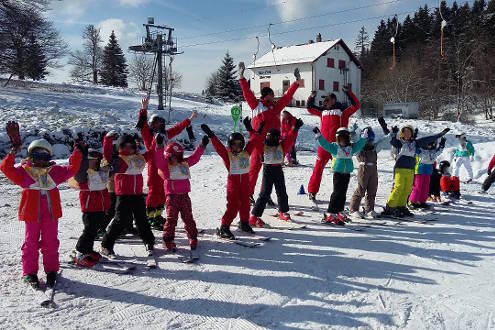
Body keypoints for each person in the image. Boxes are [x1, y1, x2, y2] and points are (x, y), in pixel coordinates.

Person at [1, 121, 82, 288]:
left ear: (49, 157)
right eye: (36, 157)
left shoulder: (56, 172)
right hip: (32, 214)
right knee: (31, 242)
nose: (40, 161)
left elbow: (73, 168)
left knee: (50, 242)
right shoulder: (25, 173)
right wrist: (14, 149)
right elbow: (5, 168)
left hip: (51, 215)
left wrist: (77, 152)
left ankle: (51, 270)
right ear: (31, 157)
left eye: (44, 157)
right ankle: (30, 272)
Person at [238, 62, 302, 203]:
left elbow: (286, 97)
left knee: (270, 171)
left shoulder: (276, 106)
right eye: (272, 94)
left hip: (273, 144)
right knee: (254, 169)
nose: (275, 97)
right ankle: (248, 194)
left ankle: (265, 195)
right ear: (267, 95)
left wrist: (296, 83)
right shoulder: (256, 105)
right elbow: (247, 93)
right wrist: (242, 76)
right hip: (258, 142)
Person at [136, 96, 197, 230]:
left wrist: (189, 120)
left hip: (165, 165)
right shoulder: (148, 135)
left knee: (164, 192)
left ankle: (157, 215)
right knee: (154, 191)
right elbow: (143, 126)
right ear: (152, 125)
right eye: (156, 123)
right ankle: (149, 217)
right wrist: (144, 109)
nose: (159, 126)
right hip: (153, 166)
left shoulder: (166, 134)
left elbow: (178, 128)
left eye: (161, 123)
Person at [200, 118, 264, 239]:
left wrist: (259, 131)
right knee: (233, 206)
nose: (237, 147)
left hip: (245, 184)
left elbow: (253, 142)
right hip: (233, 185)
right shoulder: (227, 155)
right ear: (230, 145)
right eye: (234, 144)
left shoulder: (246, 153)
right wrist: (211, 135)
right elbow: (219, 148)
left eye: (239, 144)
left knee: (245, 204)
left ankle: (244, 223)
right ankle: (224, 227)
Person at [378, 117, 449, 217]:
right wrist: (384, 126)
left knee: (407, 189)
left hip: (410, 169)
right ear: (402, 133)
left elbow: (428, 139)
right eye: (405, 132)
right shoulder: (399, 143)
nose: (407, 134)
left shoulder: (415, 143)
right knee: (398, 187)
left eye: (409, 132)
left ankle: (401, 206)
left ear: (411, 134)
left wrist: (440, 135)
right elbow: (389, 138)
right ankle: (390, 207)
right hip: (400, 168)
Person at [100, 132, 155, 258]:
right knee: (119, 221)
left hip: (137, 195)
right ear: (120, 147)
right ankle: (106, 246)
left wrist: (156, 143)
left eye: (131, 146)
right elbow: (107, 157)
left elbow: (151, 153)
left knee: (142, 220)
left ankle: (149, 242)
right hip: (123, 195)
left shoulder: (139, 159)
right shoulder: (119, 161)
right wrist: (108, 140)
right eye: (125, 146)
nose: (129, 149)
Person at [306, 86, 360, 202]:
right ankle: (312, 192)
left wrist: (349, 92)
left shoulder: (343, 112)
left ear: (334, 100)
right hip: (324, 146)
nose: (325, 102)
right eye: (324, 100)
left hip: (338, 147)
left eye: (327, 100)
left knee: (340, 172)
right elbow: (309, 108)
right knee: (317, 169)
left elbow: (356, 105)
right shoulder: (322, 112)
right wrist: (311, 97)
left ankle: (339, 194)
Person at [154, 137, 208, 252]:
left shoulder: (184, 164)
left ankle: (192, 236)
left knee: (188, 218)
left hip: (184, 196)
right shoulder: (165, 167)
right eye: (174, 157)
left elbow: (194, 158)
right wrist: (159, 147)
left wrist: (202, 146)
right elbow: (158, 160)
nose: (176, 159)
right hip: (172, 197)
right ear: (168, 156)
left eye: (178, 156)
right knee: (171, 219)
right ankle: (168, 240)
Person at [249, 119, 304, 227]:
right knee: (264, 194)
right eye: (270, 137)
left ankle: (283, 212)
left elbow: (290, 137)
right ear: (267, 137)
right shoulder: (263, 146)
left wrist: (295, 128)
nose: (272, 139)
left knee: (282, 192)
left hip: (278, 170)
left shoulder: (281, 146)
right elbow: (255, 139)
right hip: (268, 170)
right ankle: (254, 217)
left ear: (278, 138)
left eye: (275, 137)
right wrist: (253, 129)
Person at [314, 126, 367, 225]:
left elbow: (359, 145)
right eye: (341, 140)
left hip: (346, 173)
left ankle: (339, 211)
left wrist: (363, 138)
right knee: (336, 193)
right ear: (338, 139)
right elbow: (325, 145)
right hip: (338, 173)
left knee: (342, 193)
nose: (343, 142)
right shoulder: (335, 147)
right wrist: (319, 136)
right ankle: (331, 212)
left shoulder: (350, 148)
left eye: (345, 140)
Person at [70, 147, 111, 267]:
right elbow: (77, 169)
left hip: (101, 208)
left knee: (94, 231)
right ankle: (81, 253)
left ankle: (88, 250)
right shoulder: (83, 175)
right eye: (90, 160)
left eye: (95, 160)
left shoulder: (100, 173)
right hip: (90, 209)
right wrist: (79, 154)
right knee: (89, 231)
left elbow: (108, 161)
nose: (93, 162)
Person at [348, 127, 390, 219]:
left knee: (372, 190)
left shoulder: (374, 148)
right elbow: (355, 143)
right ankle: (353, 209)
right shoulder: (359, 148)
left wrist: (391, 134)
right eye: (367, 140)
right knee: (361, 189)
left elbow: (383, 141)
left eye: (371, 140)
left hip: (373, 170)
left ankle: (369, 210)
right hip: (363, 169)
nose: (369, 142)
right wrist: (353, 134)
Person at [408, 137, 446, 209]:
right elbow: (414, 148)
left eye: (433, 144)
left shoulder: (433, 152)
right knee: (417, 187)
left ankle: (422, 201)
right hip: (419, 170)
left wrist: (442, 144)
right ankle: (412, 201)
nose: (431, 146)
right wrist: (413, 139)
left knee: (425, 187)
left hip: (428, 171)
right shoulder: (421, 150)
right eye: (429, 144)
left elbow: (439, 151)